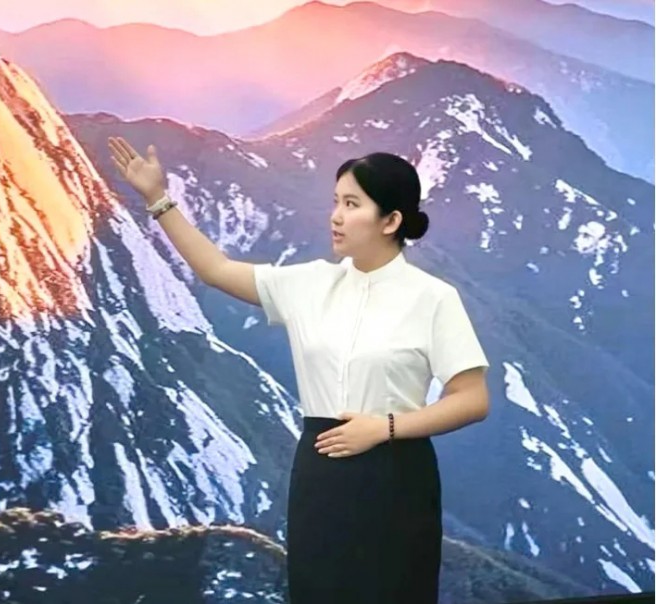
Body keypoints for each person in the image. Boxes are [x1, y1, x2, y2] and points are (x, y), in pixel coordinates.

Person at [107, 138, 491, 603]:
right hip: (320, 473)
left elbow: (472, 398)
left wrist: (384, 428)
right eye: (336, 202)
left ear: (391, 221)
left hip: (398, 473)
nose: (336, 216)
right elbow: (216, 269)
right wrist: (157, 198)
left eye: (352, 204)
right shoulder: (309, 284)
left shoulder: (433, 298)